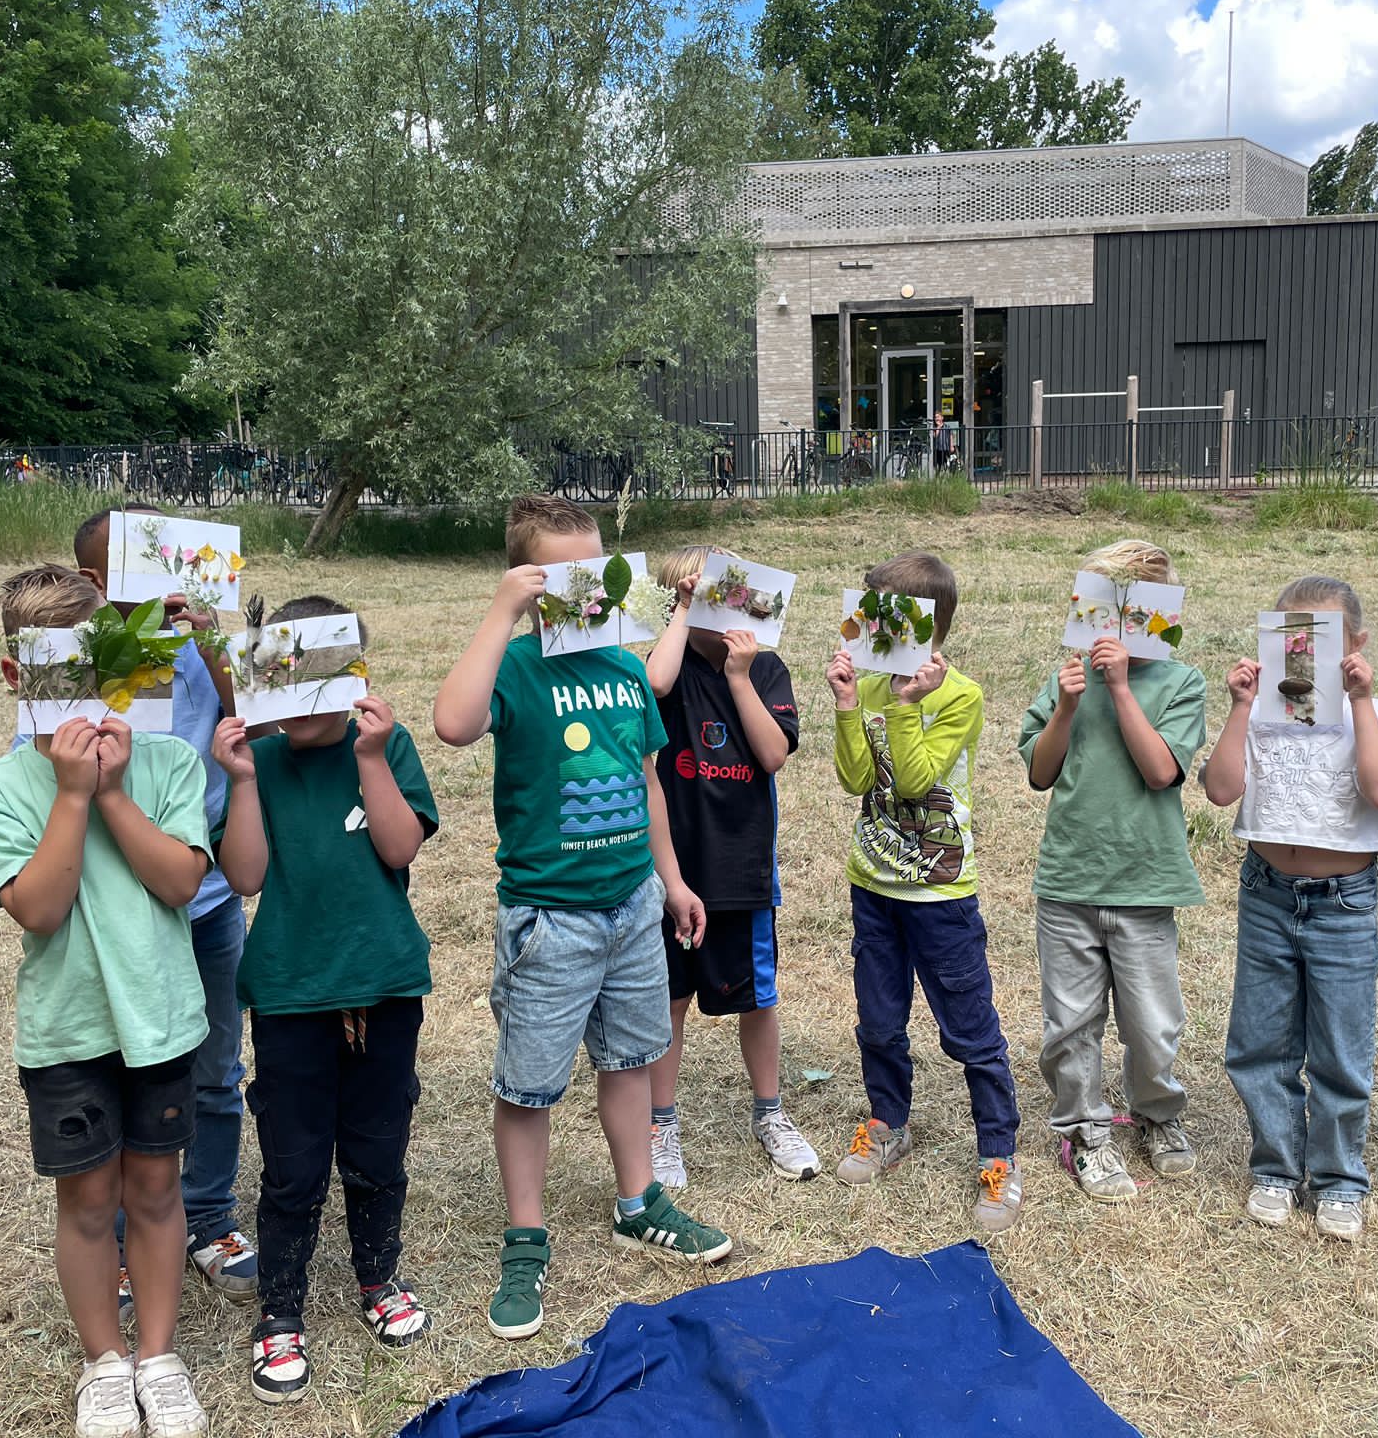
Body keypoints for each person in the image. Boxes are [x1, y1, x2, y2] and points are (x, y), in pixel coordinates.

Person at [433, 495, 731, 1343]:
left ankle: (639, 1200)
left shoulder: (628, 668)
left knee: (632, 1057)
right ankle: (525, 1235)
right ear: (531, 582)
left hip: (632, 902)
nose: (586, 588)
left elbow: (646, 782)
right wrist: (501, 614)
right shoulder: (520, 669)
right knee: (529, 1085)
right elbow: (454, 723)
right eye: (560, 575)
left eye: (595, 568)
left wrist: (670, 880)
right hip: (550, 918)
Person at [0, 566, 212, 1438]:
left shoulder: (170, 760)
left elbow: (182, 882)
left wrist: (111, 791)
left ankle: (157, 1354)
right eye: (58, 675)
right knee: (85, 1199)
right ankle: (103, 1362)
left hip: (161, 1019)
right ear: (13, 676)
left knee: (154, 1185)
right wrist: (72, 795)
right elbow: (38, 908)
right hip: (68, 1029)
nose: (83, 700)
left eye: (99, 674)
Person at [15, 507, 256, 1313]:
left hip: (205, 893)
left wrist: (213, 638)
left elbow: (248, 717)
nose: (167, 585)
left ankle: (212, 1218)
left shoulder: (193, 641)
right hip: (109, 914)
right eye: (142, 570)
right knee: (117, 1073)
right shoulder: (67, 664)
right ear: (94, 580)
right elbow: (41, 764)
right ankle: (117, 1242)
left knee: (216, 1070)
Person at [212, 596, 439, 1401]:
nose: (303, 700)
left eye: (324, 676)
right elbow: (245, 877)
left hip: (385, 986)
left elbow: (400, 845)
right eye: (282, 678)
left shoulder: (388, 746)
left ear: (355, 678)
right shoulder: (260, 765)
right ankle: (281, 1313)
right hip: (289, 994)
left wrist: (373, 758)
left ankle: (379, 1280)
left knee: (378, 1149)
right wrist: (240, 777)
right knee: (292, 1164)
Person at [1199, 576, 1378, 1239]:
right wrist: (1239, 706)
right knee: (1259, 1041)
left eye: (1324, 640)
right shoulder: (1265, 710)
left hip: (1343, 903)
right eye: (1296, 638)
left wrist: (1361, 700)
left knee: (1340, 1049)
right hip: (1266, 894)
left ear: (1357, 643)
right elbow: (1220, 789)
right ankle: (1275, 1167)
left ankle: (1340, 1178)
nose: (1308, 653)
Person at [826, 551, 1023, 1234]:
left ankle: (998, 1154)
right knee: (878, 1020)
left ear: (919, 625)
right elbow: (859, 780)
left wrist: (908, 704)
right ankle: (888, 1123)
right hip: (875, 885)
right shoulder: (875, 684)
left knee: (970, 1030)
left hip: (940, 895)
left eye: (879, 614)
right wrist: (851, 707)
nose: (865, 625)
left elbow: (912, 782)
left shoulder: (958, 694)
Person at [1017, 539, 1207, 1203]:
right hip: (1069, 881)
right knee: (1069, 1023)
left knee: (1153, 1023)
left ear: (1160, 613)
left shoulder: (1182, 682)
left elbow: (1161, 771)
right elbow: (1041, 773)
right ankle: (1085, 1132)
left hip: (1145, 882)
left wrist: (1122, 688)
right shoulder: (1066, 678)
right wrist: (1068, 706)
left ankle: (1158, 1114)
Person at [643, 546, 820, 1187]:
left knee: (758, 998)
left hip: (741, 866)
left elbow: (773, 754)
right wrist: (685, 613)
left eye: (733, 596)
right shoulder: (668, 665)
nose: (728, 612)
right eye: (707, 598)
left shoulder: (766, 669)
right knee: (670, 998)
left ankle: (770, 1113)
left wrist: (742, 678)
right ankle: (661, 1125)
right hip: (673, 869)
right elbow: (658, 685)